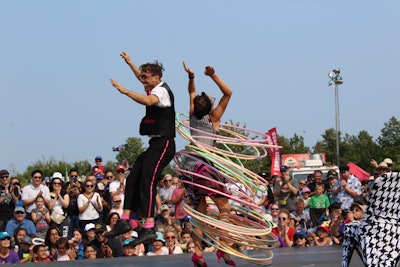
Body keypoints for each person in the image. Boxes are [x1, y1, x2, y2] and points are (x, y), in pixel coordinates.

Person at [108, 51, 176, 245]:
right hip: (154, 143)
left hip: (164, 144)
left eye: (146, 77)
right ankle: (126, 219)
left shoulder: (161, 91)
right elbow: (141, 77)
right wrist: (130, 62)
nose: (142, 80)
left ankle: (149, 227)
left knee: (148, 181)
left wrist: (125, 91)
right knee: (133, 177)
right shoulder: (152, 85)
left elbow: (148, 101)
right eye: (143, 77)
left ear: (157, 78)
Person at [180, 62, 236, 267]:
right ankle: (224, 248)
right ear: (211, 107)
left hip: (188, 168)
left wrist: (192, 77)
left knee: (200, 212)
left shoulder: (193, 115)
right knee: (224, 208)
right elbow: (228, 93)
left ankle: (198, 254)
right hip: (204, 168)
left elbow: (192, 91)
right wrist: (213, 75)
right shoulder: (213, 118)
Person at [48, 172, 70, 237]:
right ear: (52, 184)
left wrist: (59, 195)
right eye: (55, 183)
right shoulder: (49, 194)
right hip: (53, 219)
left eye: (58, 183)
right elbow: (50, 207)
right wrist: (55, 197)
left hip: (63, 218)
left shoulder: (65, 194)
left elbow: (65, 205)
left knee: (64, 237)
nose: (56, 185)